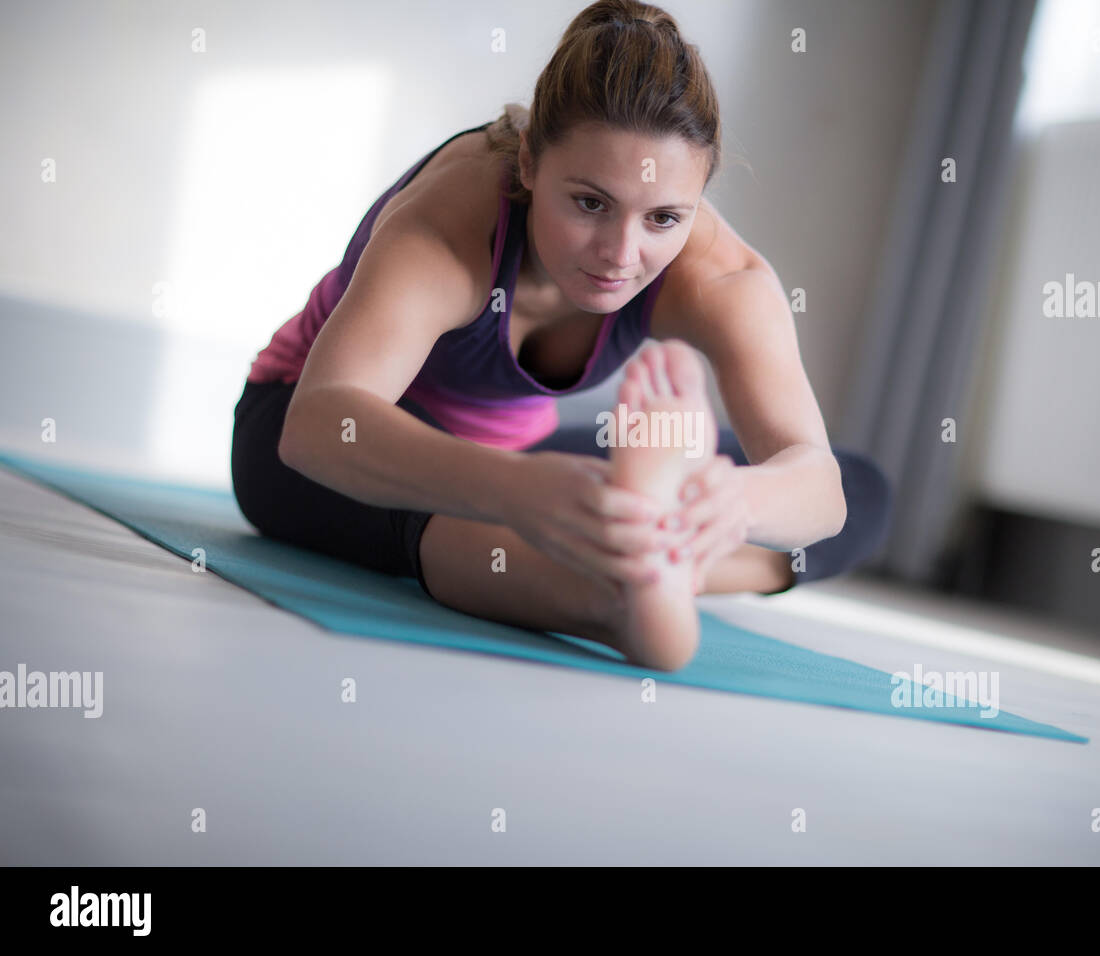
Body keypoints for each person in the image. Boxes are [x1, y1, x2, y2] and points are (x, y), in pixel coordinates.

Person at [231, 0, 891, 672]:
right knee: (445, 510)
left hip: (514, 448)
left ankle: (653, 555)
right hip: (322, 433)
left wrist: (728, 503)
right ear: (527, 165)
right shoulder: (451, 228)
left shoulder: (722, 277)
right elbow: (316, 427)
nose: (619, 252)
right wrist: (515, 490)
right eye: (589, 203)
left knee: (861, 488)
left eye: (664, 217)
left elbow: (821, 491)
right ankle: (615, 597)